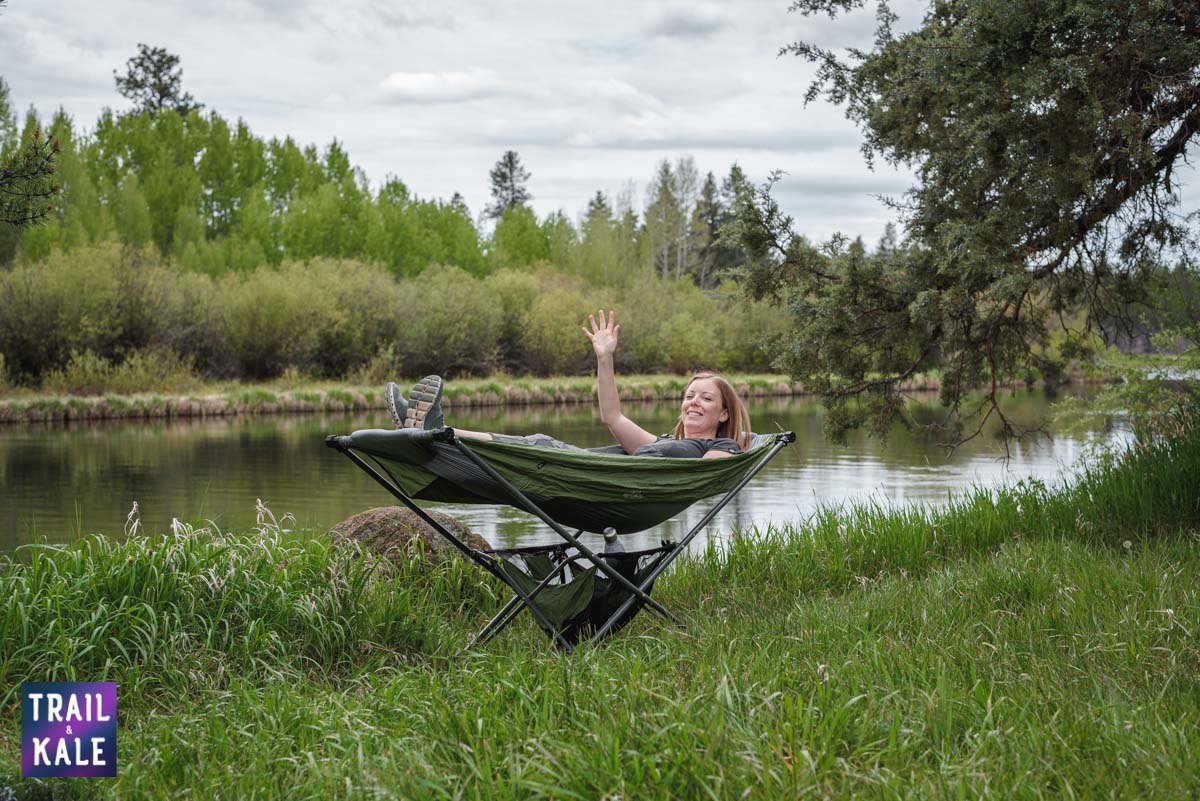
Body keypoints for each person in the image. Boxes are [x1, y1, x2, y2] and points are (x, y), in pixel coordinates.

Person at [385, 310, 752, 459]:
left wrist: (740, 445)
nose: (693, 402)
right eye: (689, 395)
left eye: (705, 398)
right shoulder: (666, 445)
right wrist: (604, 358)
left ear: (723, 412)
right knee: (537, 443)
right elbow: (612, 416)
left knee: (539, 445)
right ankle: (431, 430)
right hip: (589, 470)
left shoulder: (715, 445)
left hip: (603, 481)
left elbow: (709, 471)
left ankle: (435, 430)